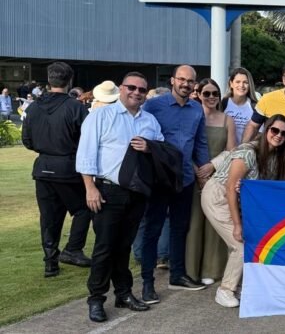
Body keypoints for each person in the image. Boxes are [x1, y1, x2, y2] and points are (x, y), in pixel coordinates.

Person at [76, 71, 164, 322]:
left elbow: (162, 149)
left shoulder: (149, 121)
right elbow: (86, 153)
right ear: (121, 89)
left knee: (124, 247)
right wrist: (90, 188)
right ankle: (96, 299)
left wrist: (150, 147)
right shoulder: (102, 116)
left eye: (142, 90)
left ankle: (123, 293)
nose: (136, 92)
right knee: (104, 248)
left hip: (137, 193)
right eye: (131, 87)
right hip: (107, 191)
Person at [202, 114, 285, 308]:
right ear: (266, 129)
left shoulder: (277, 157)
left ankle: (243, 286)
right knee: (240, 245)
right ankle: (225, 290)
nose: (278, 135)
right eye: (274, 130)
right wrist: (237, 224)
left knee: (252, 242)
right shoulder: (248, 152)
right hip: (218, 197)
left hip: (242, 202)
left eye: (283, 134)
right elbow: (230, 187)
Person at [140, 65, 213, 304]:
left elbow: (200, 142)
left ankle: (178, 275)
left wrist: (203, 171)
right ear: (173, 80)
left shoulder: (196, 110)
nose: (185, 84)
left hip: (186, 179)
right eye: (181, 79)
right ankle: (147, 284)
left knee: (180, 228)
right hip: (160, 178)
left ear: (194, 85)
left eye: (190, 81)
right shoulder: (153, 106)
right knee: (153, 230)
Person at [21, 62, 91, 277]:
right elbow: (87, 140)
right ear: (69, 81)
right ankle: (72, 249)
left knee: (49, 216)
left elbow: (27, 140)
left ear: (49, 80)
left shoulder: (33, 107)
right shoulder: (76, 108)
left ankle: (51, 262)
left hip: (43, 168)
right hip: (68, 167)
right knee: (84, 209)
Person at [186, 78, 236, 286]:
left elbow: (232, 151)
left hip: (218, 176)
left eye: (215, 93)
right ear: (198, 94)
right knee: (194, 224)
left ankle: (211, 268)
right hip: (192, 174)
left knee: (215, 223)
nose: (211, 97)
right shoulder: (190, 117)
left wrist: (212, 167)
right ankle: (191, 270)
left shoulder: (227, 120)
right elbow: (184, 146)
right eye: (206, 93)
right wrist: (198, 172)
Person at [221, 67, 259, 145]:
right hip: (224, 152)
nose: (241, 85)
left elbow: (260, 133)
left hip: (244, 152)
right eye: (238, 82)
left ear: (249, 85)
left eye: (245, 82)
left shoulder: (255, 106)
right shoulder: (223, 103)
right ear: (231, 84)